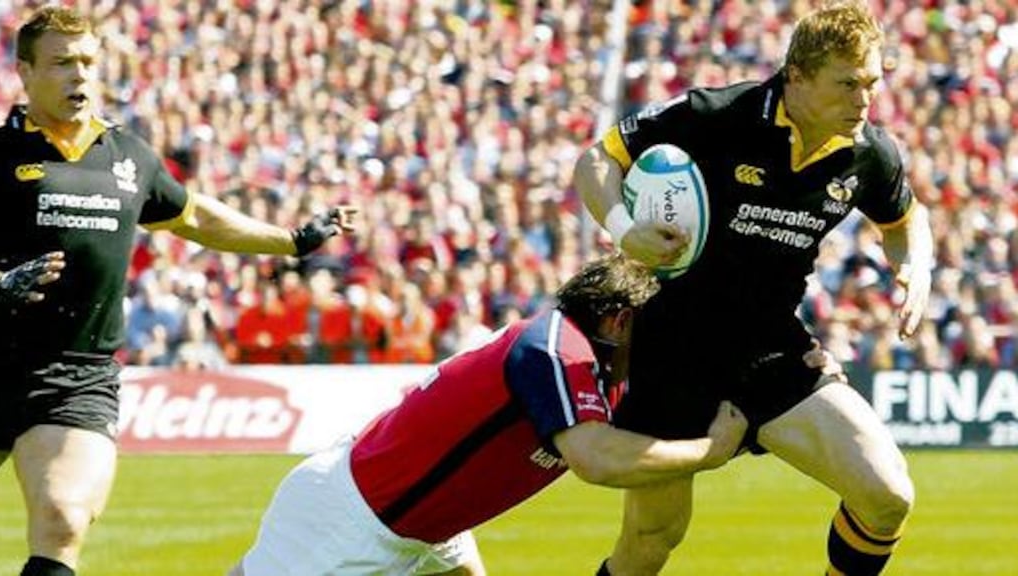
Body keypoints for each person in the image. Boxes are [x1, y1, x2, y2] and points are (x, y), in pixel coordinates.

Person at [572, 2, 934, 575]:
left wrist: (918, 265)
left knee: (887, 495)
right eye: (847, 84)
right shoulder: (719, 114)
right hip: (672, 348)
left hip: (769, 348)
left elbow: (906, 219)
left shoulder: (869, 152)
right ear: (797, 76)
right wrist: (623, 229)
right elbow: (598, 159)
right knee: (651, 541)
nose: (864, 100)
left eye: (872, 83)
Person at [0, 7, 358, 576]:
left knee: (63, 518)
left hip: (75, 376)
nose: (80, 75)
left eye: (88, 61)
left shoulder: (128, 156)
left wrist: (290, 241)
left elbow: (195, 217)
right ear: (25, 72)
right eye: (63, 63)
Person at [230, 252, 755, 576]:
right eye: (657, 329)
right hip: (353, 519)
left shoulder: (590, 362)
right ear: (619, 321)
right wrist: (711, 452)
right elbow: (595, 460)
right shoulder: (557, 348)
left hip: (423, 525)